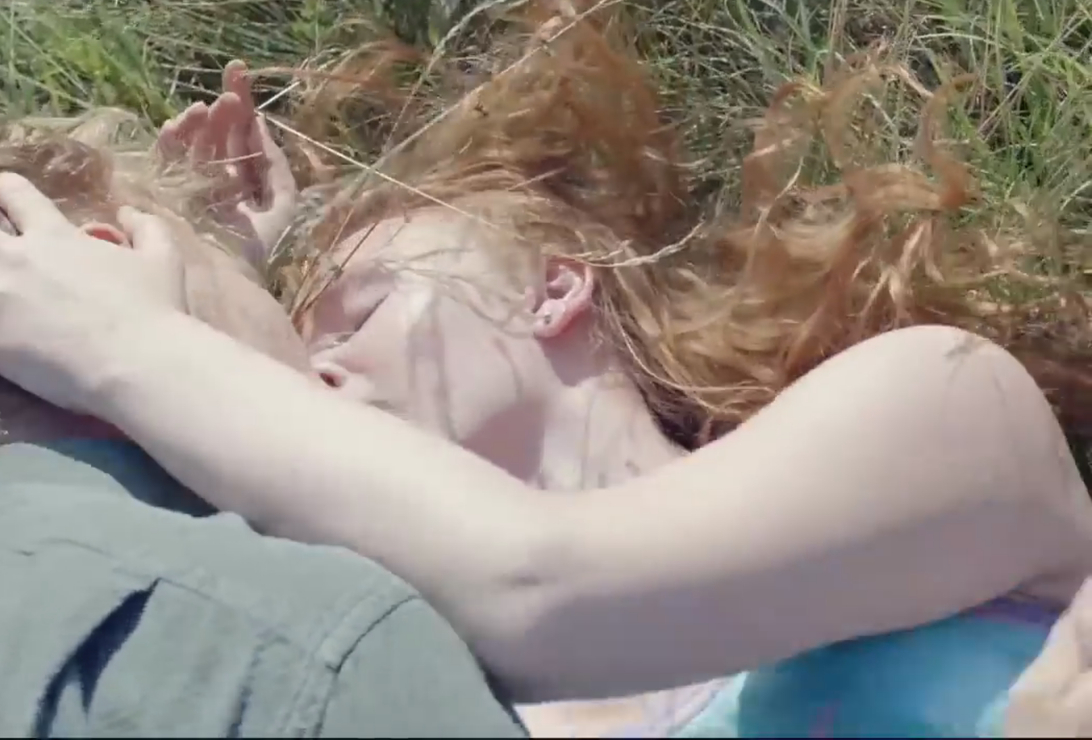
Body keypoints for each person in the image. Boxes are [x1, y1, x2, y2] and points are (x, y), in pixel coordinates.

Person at [2, 1, 1092, 737]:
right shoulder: (429, 677)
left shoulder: (938, 399)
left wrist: (125, 341)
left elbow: (540, 585)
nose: (315, 365)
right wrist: (220, 278)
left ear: (553, 288)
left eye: (362, 308)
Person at [0, 109, 526, 737]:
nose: (318, 360)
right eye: (265, 288)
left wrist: (216, 278)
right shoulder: (307, 641)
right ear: (106, 275)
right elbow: (536, 581)